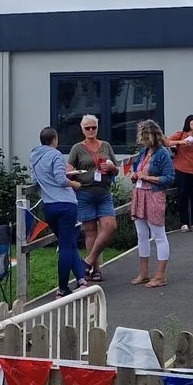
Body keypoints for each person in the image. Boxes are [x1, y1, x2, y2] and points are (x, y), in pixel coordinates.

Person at [30, 125, 85, 295]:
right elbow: (61, 180)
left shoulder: (34, 157)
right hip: (66, 204)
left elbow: (35, 180)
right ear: (54, 139)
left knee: (67, 242)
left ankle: (81, 278)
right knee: (66, 246)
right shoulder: (56, 155)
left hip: (49, 205)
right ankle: (62, 288)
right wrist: (75, 184)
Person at [67, 115, 120, 284]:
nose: (91, 130)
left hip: (104, 192)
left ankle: (88, 261)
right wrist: (75, 179)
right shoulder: (77, 148)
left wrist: (111, 167)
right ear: (82, 129)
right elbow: (68, 171)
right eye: (87, 128)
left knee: (110, 226)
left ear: (97, 128)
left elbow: (117, 170)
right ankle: (95, 270)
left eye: (93, 127)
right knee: (90, 232)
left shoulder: (106, 146)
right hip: (85, 193)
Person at [126, 120, 176, 288]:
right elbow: (138, 170)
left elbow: (169, 178)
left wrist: (147, 177)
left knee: (158, 235)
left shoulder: (163, 153)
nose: (141, 139)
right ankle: (144, 273)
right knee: (141, 234)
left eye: (143, 135)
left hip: (154, 195)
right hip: (140, 194)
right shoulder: (144, 151)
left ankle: (160, 275)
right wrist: (135, 176)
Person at [167, 115, 193, 231]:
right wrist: (181, 142)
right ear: (188, 122)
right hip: (182, 169)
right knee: (183, 196)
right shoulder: (181, 134)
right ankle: (184, 222)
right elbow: (166, 142)